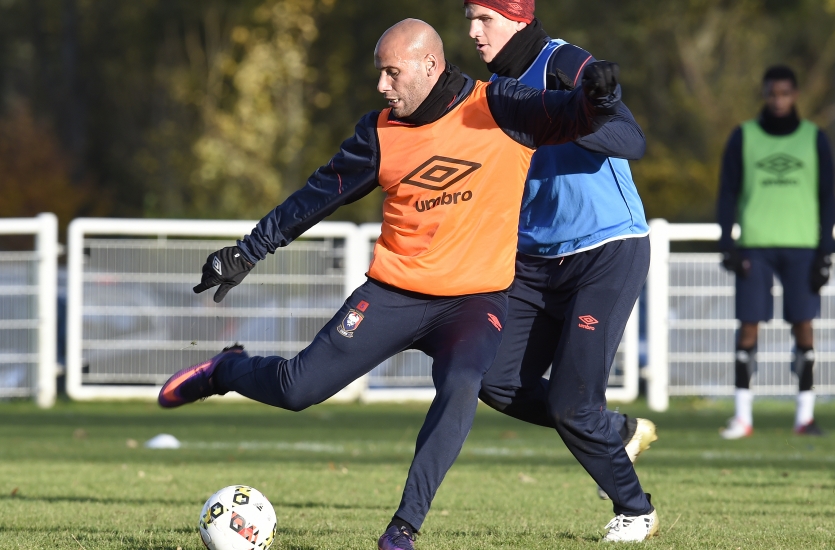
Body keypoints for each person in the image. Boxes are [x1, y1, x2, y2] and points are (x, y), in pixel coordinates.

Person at [158, 18, 634, 549]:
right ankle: (225, 369)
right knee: (297, 390)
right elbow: (317, 198)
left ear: (430, 67)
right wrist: (248, 250)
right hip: (393, 294)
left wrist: (599, 97)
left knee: (461, 386)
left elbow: (570, 115)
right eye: (379, 73)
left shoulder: (500, 105)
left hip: (475, 302)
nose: (383, 86)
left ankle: (401, 532)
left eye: (392, 73)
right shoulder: (378, 132)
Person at [461, 1, 658, 542]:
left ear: (518, 19)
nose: (473, 31)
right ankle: (612, 431)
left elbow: (629, 140)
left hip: (606, 250)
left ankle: (635, 509)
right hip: (534, 261)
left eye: (485, 19)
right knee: (491, 380)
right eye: (469, 18)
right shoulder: (492, 89)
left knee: (573, 404)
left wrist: (564, 112)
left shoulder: (562, 61)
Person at [717, 65, 835, 439]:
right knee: (748, 328)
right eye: (773, 93)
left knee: (804, 326)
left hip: (803, 247)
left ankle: (805, 416)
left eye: (785, 93)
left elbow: (829, 197)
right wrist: (727, 242)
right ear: (765, 94)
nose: (779, 100)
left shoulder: (815, 138)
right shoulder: (744, 136)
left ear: (795, 95)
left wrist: (825, 252)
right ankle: (742, 417)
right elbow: (727, 193)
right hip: (756, 245)